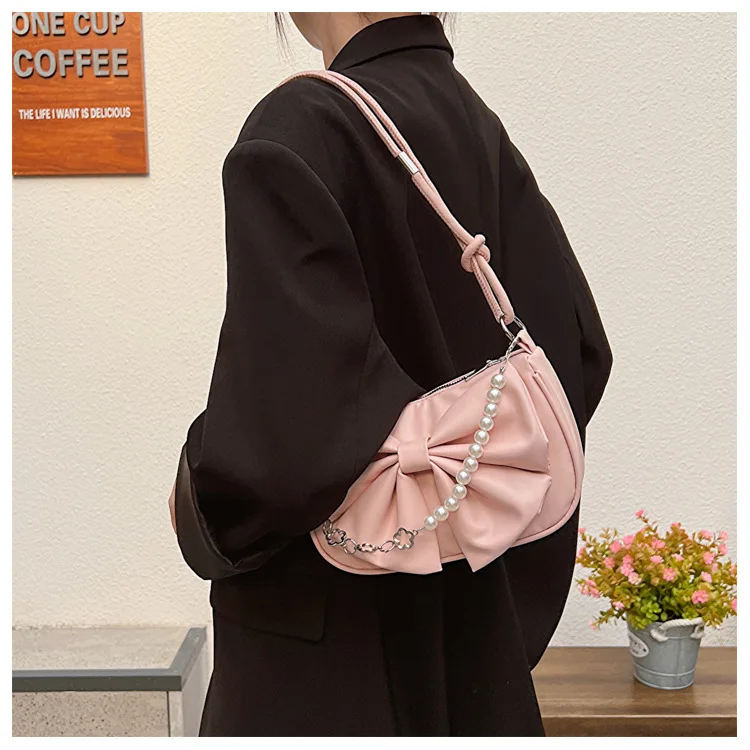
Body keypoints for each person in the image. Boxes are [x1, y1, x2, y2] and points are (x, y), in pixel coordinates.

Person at [170, 12, 612, 737]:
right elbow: (582, 354)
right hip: (477, 657)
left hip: (328, 668)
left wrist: (198, 505)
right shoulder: (477, 123)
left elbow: (283, 443)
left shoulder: (303, 123)